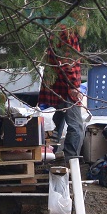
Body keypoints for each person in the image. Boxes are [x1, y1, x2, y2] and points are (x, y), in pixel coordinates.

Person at [38, 22, 86, 160]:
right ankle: (71, 161)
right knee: (76, 126)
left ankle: (51, 156)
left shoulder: (61, 29)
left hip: (58, 84)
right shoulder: (67, 33)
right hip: (66, 87)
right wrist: (72, 86)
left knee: (57, 122)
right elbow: (67, 63)